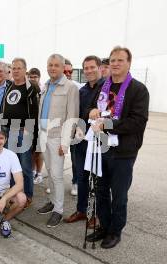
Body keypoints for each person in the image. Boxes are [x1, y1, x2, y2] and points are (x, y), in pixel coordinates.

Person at [86, 46, 149, 249]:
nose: (115, 64)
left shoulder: (138, 89)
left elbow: (137, 122)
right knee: (101, 191)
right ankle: (104, 226)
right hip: (101, 147)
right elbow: (91, 108)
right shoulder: (103, 87)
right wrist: (93, 110)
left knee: (119, 195)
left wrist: (109, 125)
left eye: (120, 60)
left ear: (129, 63)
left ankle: (115, 231)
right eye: (112, 60)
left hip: (124, 152)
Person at [36, 54, 79, 228]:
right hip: (43, 134)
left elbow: (72, 116)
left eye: (56, 65)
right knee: (50, 173)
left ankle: (58, 210)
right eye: (50, 65)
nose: (52, 68)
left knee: (57, 175)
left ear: (63, 68)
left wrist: (65, 142)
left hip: (58, 138)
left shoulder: (70, 87)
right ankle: (52, 201)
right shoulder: (46, 86)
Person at [64, 55, 104, 226]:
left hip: (98, 142)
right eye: (86, 68)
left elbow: (107, 111)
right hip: (80, 140)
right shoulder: (82, 91)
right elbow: (76, 113)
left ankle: (93, 214)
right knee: (81, 177)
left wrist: (92, 111)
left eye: (92, 67)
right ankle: (81, 210)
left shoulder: (107, 88)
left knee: (95, 180)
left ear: (99, 68)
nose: (88, 71)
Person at [0, 58, 39, 208]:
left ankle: (28, 195)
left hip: (24, 133)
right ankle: (13, 194)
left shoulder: (30, 88)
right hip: (9, 131)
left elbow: (35, 112)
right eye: (13, 68)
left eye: (18, 68)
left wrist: (30, 130)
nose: (15, 71)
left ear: (25, 70)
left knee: (25, 166)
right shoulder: (9, 86)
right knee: (12, 165)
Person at [64, 58, 83, 196]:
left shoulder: (79, 87)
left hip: (74, 129)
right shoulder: (49, 86)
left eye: (70, 71)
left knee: (75, 158)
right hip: (58, 128)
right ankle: (54, 184)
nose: (68, 74)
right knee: (56, 157)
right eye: (65, 71)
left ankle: (75, 182)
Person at [28, 68, 45, 185]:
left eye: (35, 77)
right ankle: (33, 171)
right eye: (31, 77)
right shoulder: (27, 89)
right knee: (32, 150)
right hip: (30, 124)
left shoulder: (43, 89)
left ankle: (39, 173)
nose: (33, 79)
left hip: (41, 124)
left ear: (39, 77)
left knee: (39, 150)